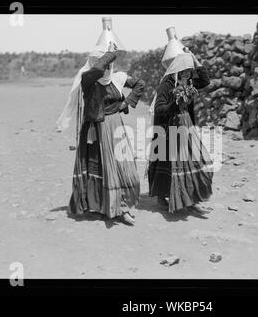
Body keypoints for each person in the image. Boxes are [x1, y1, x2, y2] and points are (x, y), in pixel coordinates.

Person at [56, 42, 145, 225]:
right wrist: (110, 54)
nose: (107, 68)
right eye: (105, 63)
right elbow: (97, 70)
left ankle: (122, 206)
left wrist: (126, 103)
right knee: (103, 168)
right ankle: (110, 207)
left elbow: (140, 84)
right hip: (96, 130)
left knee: (123, 166)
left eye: (110, 64)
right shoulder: (88, 80)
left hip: (116, 127)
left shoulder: (118, 78)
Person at [147, 49, 213, 213]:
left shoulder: (189, 83)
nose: (188, 75)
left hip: (186, 125)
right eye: (184, 71)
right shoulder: (166, 85)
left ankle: (191, 198)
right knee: (167, 163)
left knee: (192, 160)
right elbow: (159, 108)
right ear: (177, 70)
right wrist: (175, 104)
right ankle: (162, 196)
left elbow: (205, 81)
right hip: (168, 129)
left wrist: (195, 60)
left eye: (189, 71)